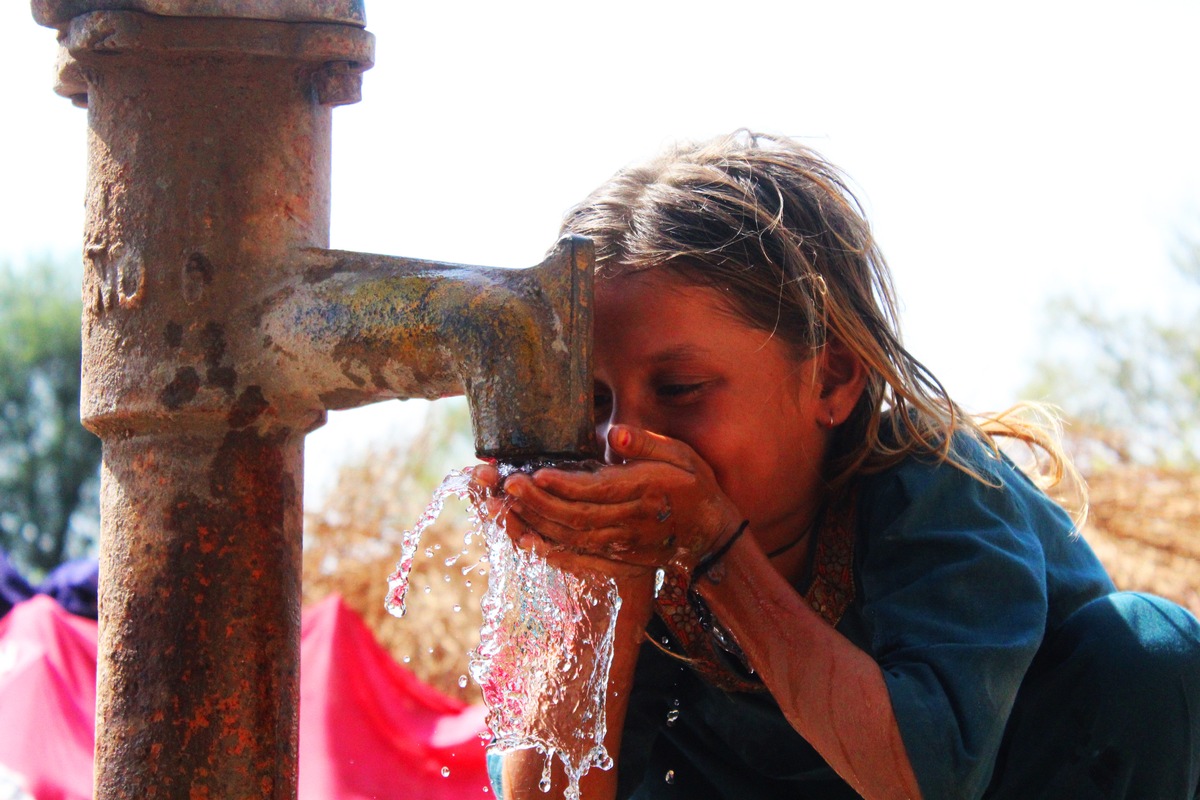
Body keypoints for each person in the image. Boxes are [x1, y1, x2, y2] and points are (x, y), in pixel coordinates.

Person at [471, 131, 1200, 799]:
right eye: (594, 402)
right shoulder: (629, 565)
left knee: (1147, 645)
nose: (622, 438)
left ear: (830, 381)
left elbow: (925, 780)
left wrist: (716, 554)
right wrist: (598, 596)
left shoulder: (935, 488)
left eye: (681, 390)